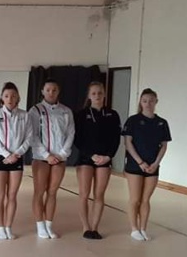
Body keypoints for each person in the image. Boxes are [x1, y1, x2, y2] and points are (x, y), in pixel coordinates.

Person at [28, 79, 75, 239]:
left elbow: (70, 133)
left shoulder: (66, 111)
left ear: (58, 91)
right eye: (48, 90)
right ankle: (39, 225)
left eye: (54, 90)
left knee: (53, 192)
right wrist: (46, 155)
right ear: (42, 91)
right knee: (39, 192)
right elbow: (32, 134)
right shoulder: (35, 110)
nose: (51, 92)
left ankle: (49, 224)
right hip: (42, 158)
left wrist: (62, 154)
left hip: (59, 158)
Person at [74, 82, 121, 240]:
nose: (97, 96)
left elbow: (116, 139)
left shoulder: (113, 114)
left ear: (104, 94)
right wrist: (91, 154)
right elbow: (77, 139)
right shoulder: (81, 115)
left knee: (99, 194)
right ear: (89, 96)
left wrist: (108, 156)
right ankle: (85, 227)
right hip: (86, 158)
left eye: (100, 93)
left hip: (105, 159)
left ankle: (95, 227)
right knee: (84, 194)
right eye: (93, 93)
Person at [122, 88, 171, 241]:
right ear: (141, 103)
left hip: (153, 166)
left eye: (151, 101)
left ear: (156, 102)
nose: (148, 104)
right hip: (135, 166)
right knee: (135, 199)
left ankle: (143, 228)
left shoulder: (162, 123)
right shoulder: (133, 121)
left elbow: (163, 145)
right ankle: (134, 228)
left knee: (145, 199)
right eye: (144, 101)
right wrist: (140, 162)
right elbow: (128, 143)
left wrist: (156, 163)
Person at [0, 82, 31, 240]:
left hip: (17, 157)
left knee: (12, 195)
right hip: (0, 157)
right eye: (6, 96)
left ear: (18, 97)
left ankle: (8, 226)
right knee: (1, 195)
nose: (10, 99)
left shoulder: (24, 115)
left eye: (13, 96)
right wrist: (6, 154)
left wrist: (17, 154)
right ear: (2, 98)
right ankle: (0, 226)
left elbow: (28, 137)